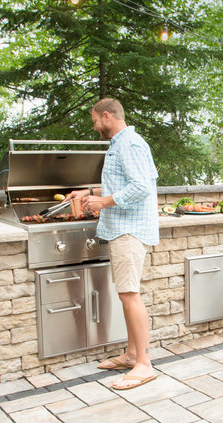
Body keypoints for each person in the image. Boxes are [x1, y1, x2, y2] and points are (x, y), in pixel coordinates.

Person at [65, 98, 159, 390]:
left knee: (130, 295)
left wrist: (103, 201)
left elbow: (142, 187)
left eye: (95, 120)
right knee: (125, 294)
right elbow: (125, 184)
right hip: (123, 228)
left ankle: (144, 363)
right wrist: (90, 191)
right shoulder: (121, 144)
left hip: (129, 230)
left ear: (106, 116)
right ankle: (132, 354)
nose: (94, 127)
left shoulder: (129, 144)